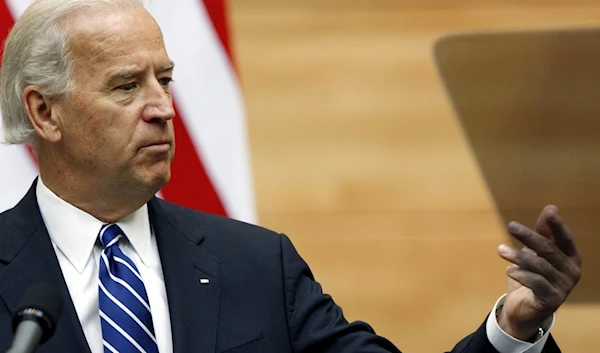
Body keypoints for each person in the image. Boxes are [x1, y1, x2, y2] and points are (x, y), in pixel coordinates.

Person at [0, 0, 582, 352]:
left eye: (166, 80)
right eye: (128, 86)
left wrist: (512, 326)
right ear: (44, 112)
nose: (164, 108)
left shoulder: (255, 264)